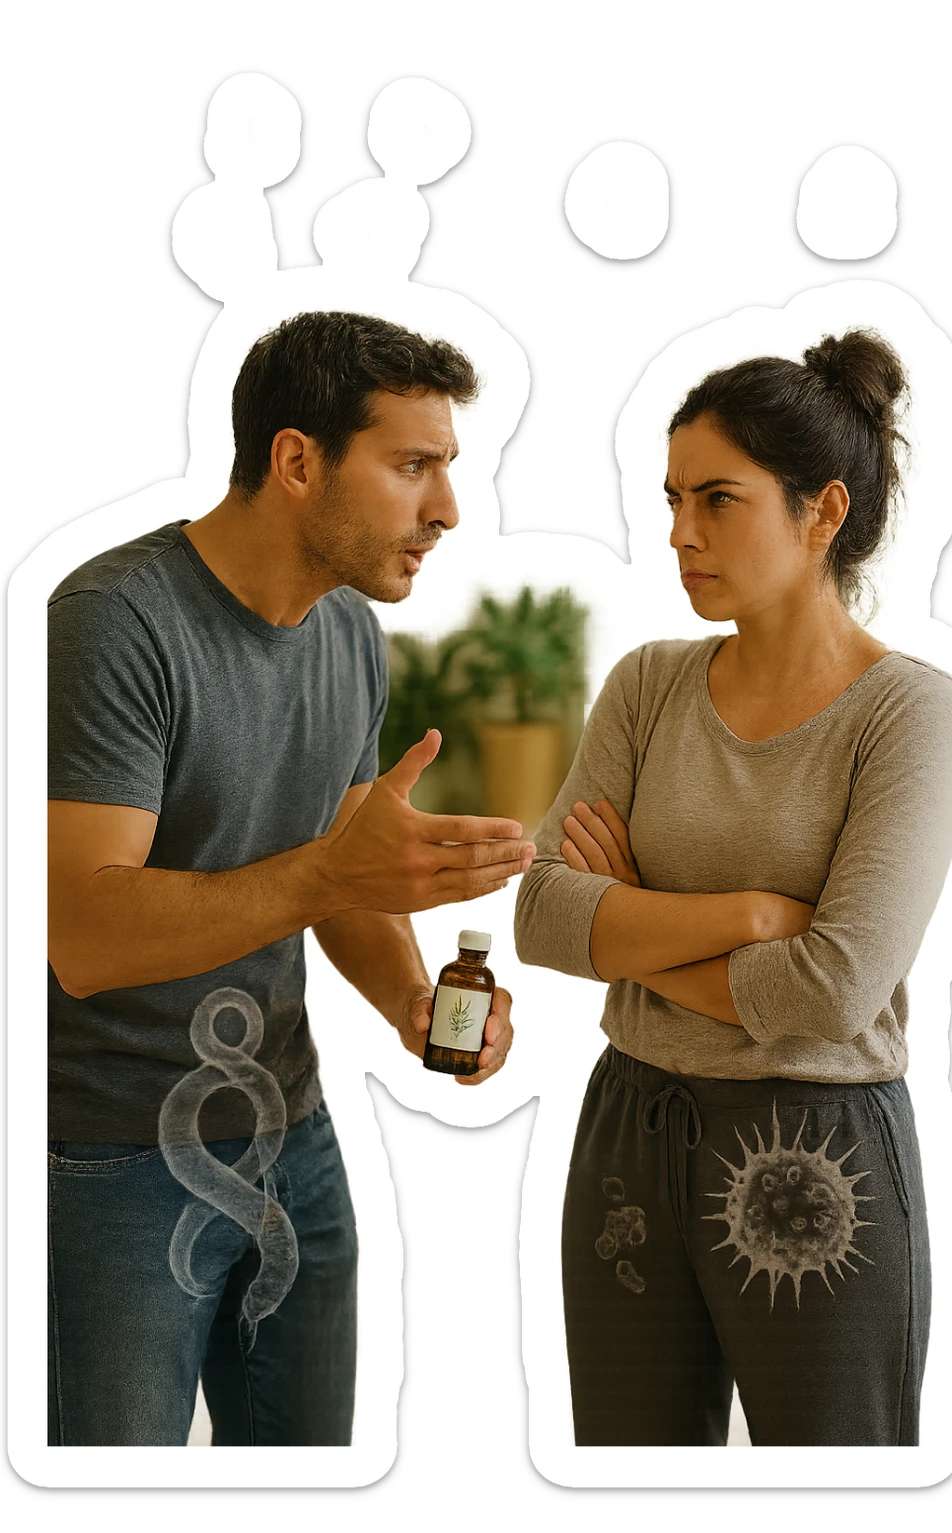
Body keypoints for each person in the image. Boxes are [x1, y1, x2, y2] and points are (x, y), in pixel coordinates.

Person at [47, 310, 537, 1448]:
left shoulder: (346, 630)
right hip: (111, 1158)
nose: (446, 510)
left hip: (291, 1135)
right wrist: (331, 871)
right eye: (413, 466)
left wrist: (413, 1004)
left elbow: (342, 877)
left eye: (447, 469)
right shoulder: (115, 622)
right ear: (297, 460)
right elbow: (85, 934)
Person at [514, 330, 952, 1447]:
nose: (677, 532)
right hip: (628, 1128)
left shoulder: (908, 714)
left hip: (815, 1149)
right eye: (670, 497)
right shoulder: (646, 684)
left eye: (716, 499)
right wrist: (754, 920)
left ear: (822, 512)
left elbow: (832, 993)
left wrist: (626, 928)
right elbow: (536, 914)